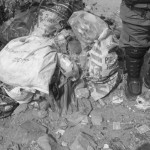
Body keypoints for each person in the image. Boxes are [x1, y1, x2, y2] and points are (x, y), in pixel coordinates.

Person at [119, 0, 150, 100]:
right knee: (135, 47)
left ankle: (140, 79)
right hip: (137, 12)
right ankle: (139, 79)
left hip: (137, 12)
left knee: (135, 45)